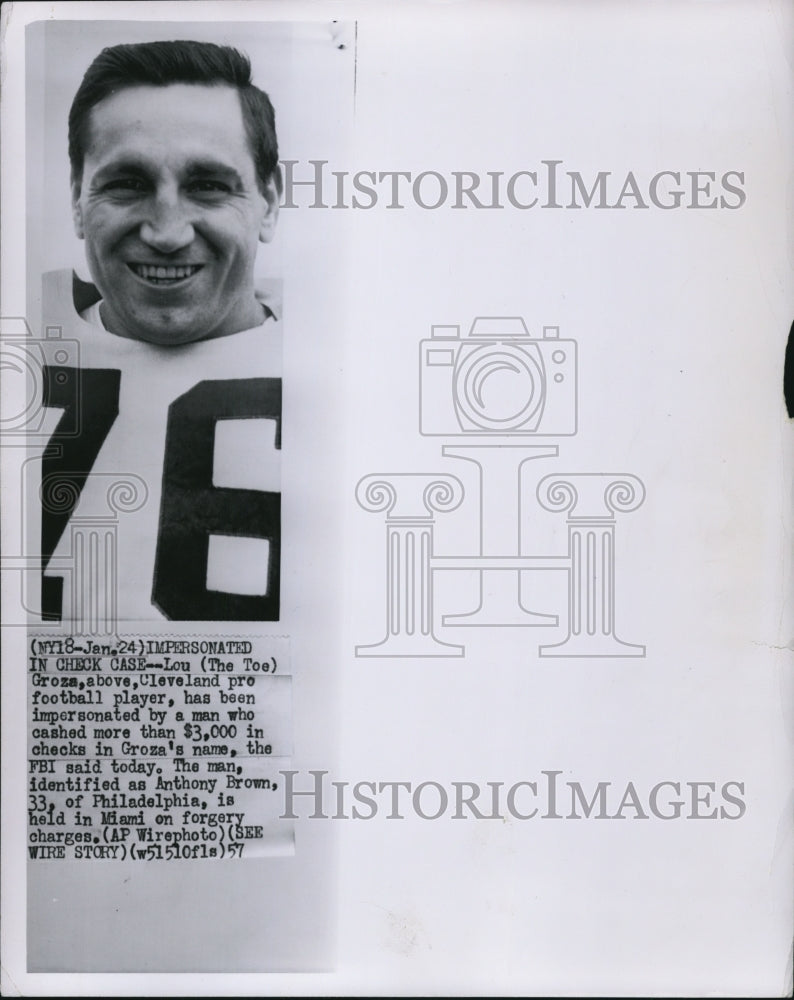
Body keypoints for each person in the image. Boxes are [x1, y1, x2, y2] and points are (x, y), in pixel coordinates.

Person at [38, 40, 283, 625]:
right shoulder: (21, 333)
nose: (168, 232)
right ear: (77, 198)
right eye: (127, 183)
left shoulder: (356, 363)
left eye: (208, 186)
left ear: (269, 203)